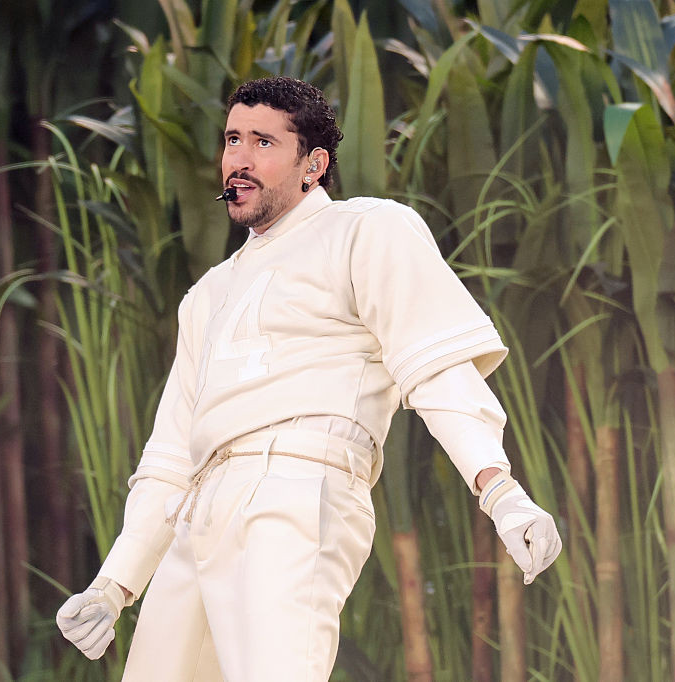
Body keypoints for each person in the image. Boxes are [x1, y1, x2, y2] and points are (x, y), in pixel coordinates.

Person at [57, 76, 561, 681]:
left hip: (300, 486)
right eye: (233, 139)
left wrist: (501, 492)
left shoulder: (367, 229)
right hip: (199, 509)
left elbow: (434, 366)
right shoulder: (206, 295)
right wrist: (114, 584)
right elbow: (170, 456)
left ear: (314, 165)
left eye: (263, 142)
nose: (239, 159)